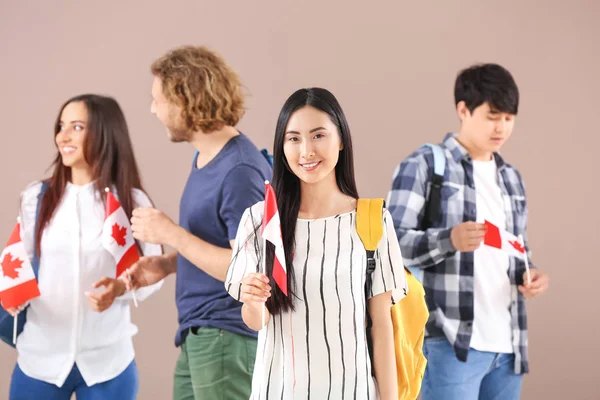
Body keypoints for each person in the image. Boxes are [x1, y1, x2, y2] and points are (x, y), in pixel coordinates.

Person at [224, 87, 407, 399]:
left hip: (352, 391)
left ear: (342, 140)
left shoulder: (372, 219)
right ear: (282, 147)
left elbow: (382, 327)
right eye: (293, 138)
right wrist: (253, 299)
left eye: (318, 135)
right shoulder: (259, 221)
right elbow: (257, 321)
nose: (306, 151)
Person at [386, 63, 550, 400]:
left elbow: (518, 249)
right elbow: (390, 244)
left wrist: (530, 275)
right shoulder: (425, 166)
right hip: (449, 342)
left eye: (508, 117)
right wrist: (449, 240)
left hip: (508, 348)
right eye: (492, 116)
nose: (501, 127)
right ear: (463, 109)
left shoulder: (511, 178)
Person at [125, 45, 272, 400]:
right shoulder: (207, 159)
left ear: (185, 99)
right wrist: (167, 263)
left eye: (158, 100)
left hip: (227, 336)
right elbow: (224, 246)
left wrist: (170, 233)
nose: (153, 110)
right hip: (203, 334)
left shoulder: (239, 171)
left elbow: (248, 270)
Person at [2, 94, 162, 400]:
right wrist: (11, 290)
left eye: (76, 127)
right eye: (61, 126)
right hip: (40, 357)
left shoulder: (132, 202)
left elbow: (152, 273)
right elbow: (15, 264)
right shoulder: (36, 198)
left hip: (108, 361)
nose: (63, 135)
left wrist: (120, 287)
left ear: (105, 133)